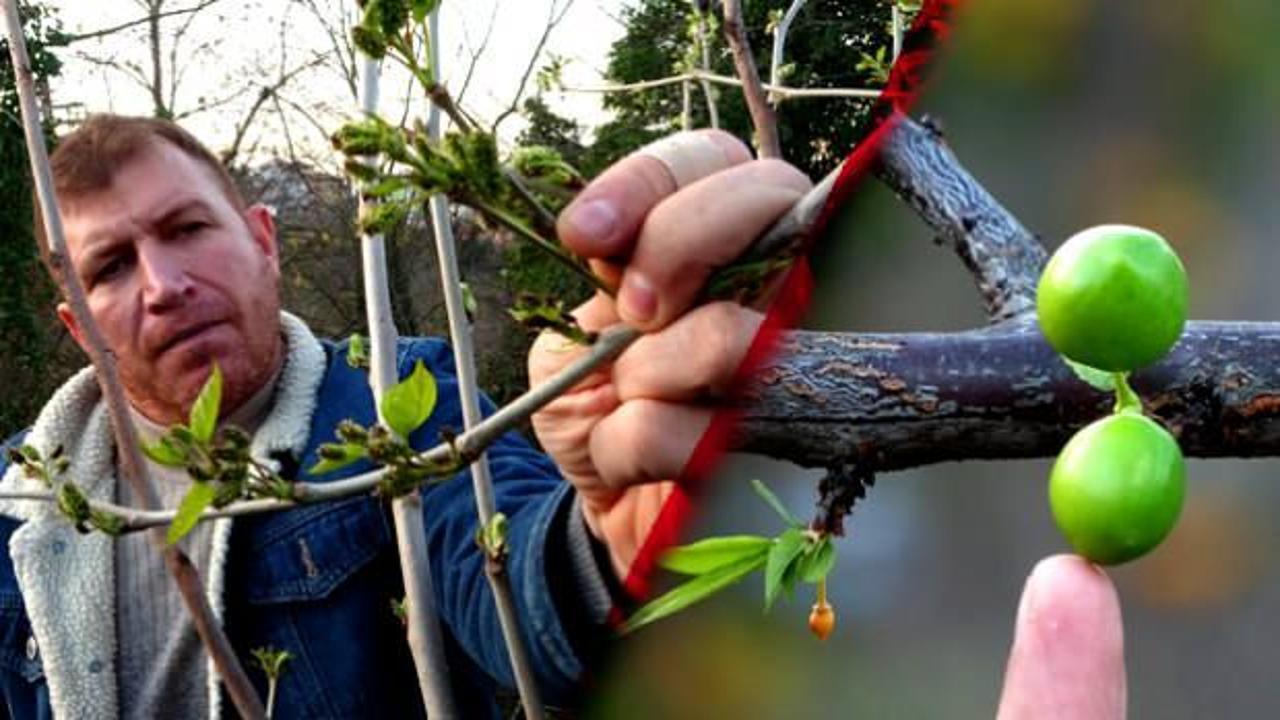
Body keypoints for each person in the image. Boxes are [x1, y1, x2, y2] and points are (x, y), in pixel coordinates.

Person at [0, 115, 1127, 719]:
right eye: (110, 265)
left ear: (260, 237)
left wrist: (609, 547)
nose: (159, 283)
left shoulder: (407, 411)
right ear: (70, 318)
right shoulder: (24, 524)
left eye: (187, 231)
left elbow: (516, 595)